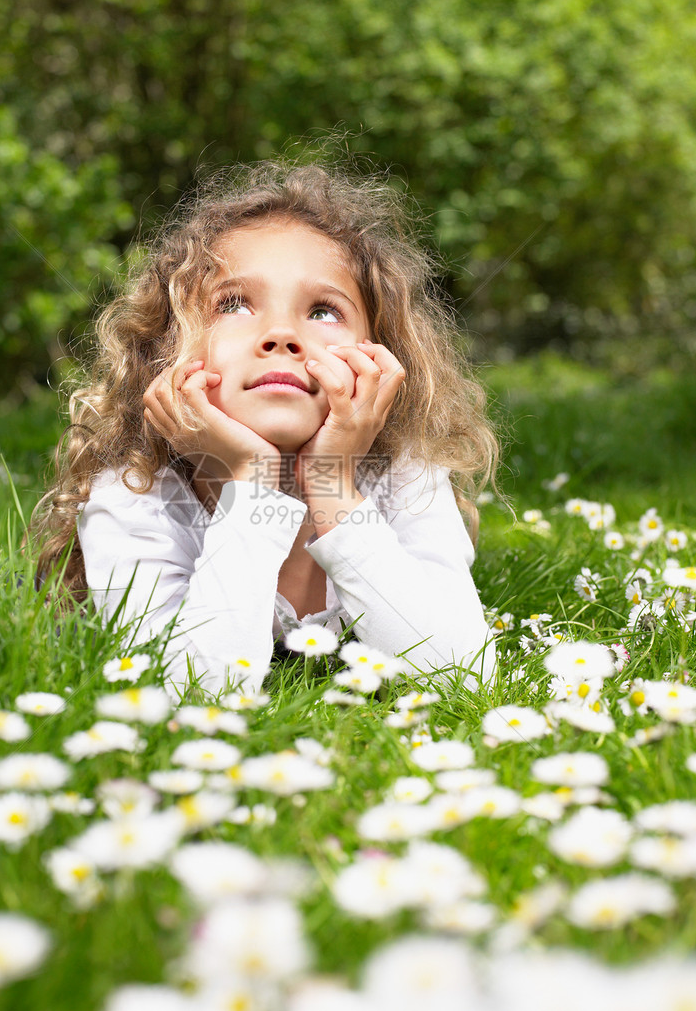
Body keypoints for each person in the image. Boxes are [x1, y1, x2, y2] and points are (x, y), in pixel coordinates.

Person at [32, 159, 499, 694]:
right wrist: (250, 485)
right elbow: (193, 693)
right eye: (233, 304)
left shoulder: (405, 475)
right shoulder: (137, 489)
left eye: (323, 311)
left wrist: (333, 485)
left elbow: (462, 677)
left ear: (383, 353)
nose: (281, 334)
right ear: (166, 348)